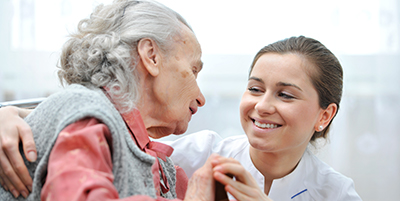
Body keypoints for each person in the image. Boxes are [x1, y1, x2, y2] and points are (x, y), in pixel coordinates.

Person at [0, 36, 362, 200]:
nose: (262, 106)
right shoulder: (195, 155)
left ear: (324, 115)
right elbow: (112, 125)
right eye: (255, 89)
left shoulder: (338, 193)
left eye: (285, 94)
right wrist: (10, 116)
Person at [0, 0, 233, 200]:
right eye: (193, 70)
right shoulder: (84, 112)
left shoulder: (163, 167)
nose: (201, 98)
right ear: (151, 56)